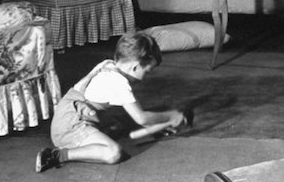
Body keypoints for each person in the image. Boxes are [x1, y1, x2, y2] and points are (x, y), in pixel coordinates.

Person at [35, 31, 188, 172]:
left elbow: (135, 111)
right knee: (114, 153)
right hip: (69, 125)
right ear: (135, 67)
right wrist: (171, 116)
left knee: (119, 125)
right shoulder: (118, 82)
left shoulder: (108, 64)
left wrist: (154, 124)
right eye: (147, 71)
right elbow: (141, 117)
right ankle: (58, 155)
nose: (146, 77)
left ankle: (86, 139)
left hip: (71, 112)